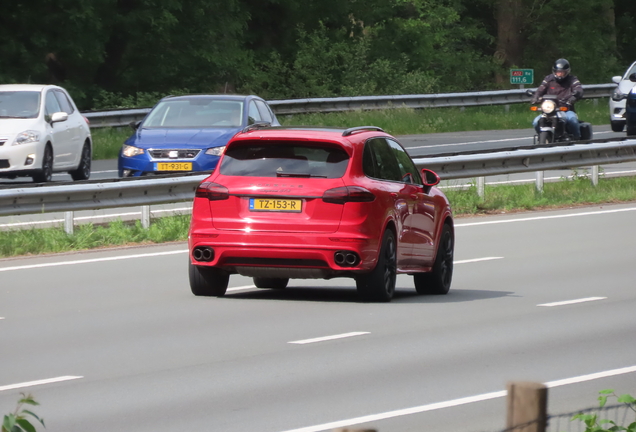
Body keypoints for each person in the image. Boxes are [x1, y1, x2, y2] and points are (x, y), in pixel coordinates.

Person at [531, 58, 584, 139]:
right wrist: (535, 97)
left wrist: (573, 97)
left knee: (572, 121)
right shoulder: (548, 79)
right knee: (535, 122)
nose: (559, 74)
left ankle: (578, 140)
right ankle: (543, 137)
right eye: (558, 72)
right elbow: (540, 89)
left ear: (567, 72)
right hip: (550, 110)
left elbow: (578, 89)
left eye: (562, 72)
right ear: (554, 71)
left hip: (565, 109)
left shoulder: (572, 79)